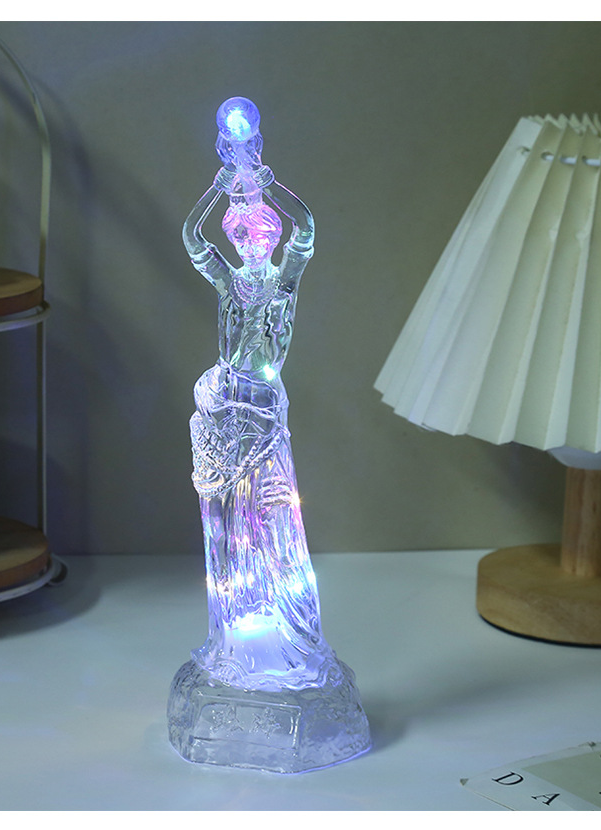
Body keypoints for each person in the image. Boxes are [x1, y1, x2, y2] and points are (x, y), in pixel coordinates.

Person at [183, 135, 342, 691]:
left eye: (259, 234)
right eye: (241, 235)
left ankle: (289, 630)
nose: (251, 242)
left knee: (274, 514)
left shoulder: (283, 282)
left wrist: (270, 186)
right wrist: (216, 188)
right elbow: (192, 238)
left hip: (265, 410)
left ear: (271, 237)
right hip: (227, 405)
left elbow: (308, 229)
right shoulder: (229, 283)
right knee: (229, 521)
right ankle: (237, 628)